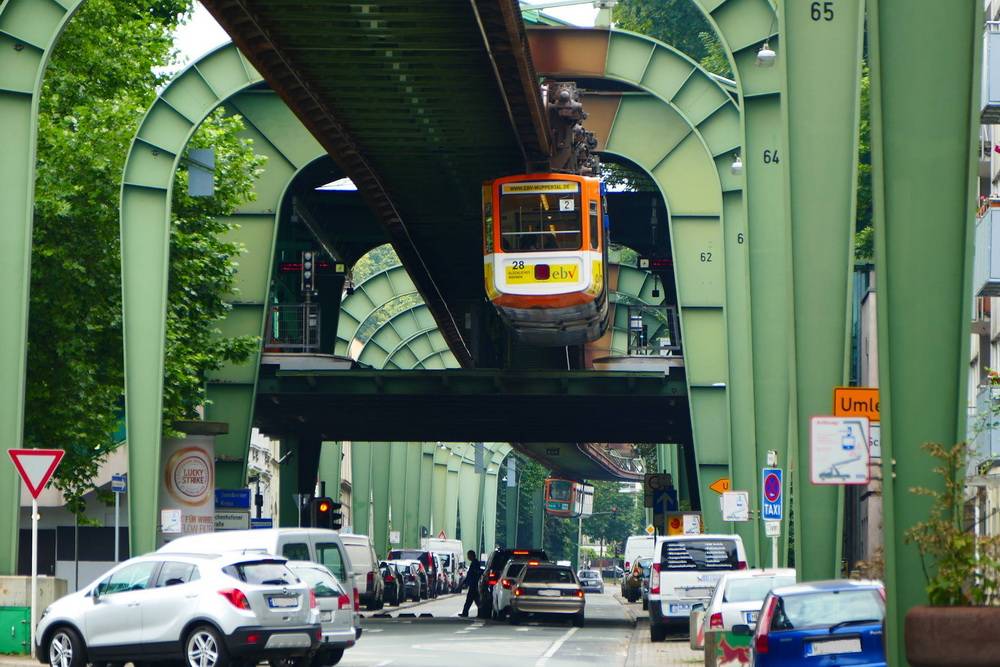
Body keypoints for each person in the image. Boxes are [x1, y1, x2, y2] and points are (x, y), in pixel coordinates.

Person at [458, 549, 482, 617]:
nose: (468, 557)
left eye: (468, 555)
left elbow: (473, 574)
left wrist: (465, 582)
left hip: (474, 584)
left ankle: (465, 613)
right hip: (474, 584)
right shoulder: (475, 562)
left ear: (471, 555)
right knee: (475, 599)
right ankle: (480, 613)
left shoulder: (475, 563)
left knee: (470, 599)